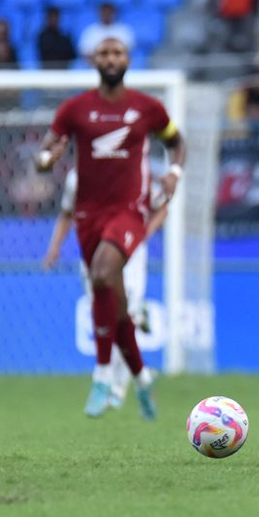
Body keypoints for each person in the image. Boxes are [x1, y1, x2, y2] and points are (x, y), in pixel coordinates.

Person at [34, 38, 187, 420]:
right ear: (94, 61)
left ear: (128, 59)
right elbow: (46, 150)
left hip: (128, 212)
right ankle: (143, 379)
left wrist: (173, 171)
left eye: (117, 53)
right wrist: (43, 160)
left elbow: (177, 143)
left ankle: (102, 376)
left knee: (104, 273)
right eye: (104, 53)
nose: (111, 59)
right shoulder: (75, 109)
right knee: (114, 307)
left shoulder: (148, 108)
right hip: (88, 216)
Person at [43, 168, 169, 409]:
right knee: (107, 316)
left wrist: (143, 232)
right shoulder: (75, 178)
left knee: (124, 313)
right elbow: (66, 214)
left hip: (128, 250)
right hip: (93, 253)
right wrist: (54, 247)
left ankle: (117, 389)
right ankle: (135, 377)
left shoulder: (132, 170)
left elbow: (162, 206)